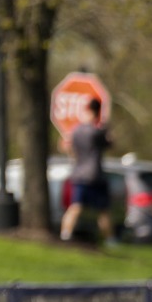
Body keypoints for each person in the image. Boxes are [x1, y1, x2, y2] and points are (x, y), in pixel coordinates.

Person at [58, 98, 113, 244]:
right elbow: (109, 143)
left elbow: (66, 146)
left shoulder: (76, 131)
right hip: (95, 175)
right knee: (103, 210)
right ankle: (110, 239)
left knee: (75, 207)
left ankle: (65, 234)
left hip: (78, 174)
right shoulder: (97, 132)